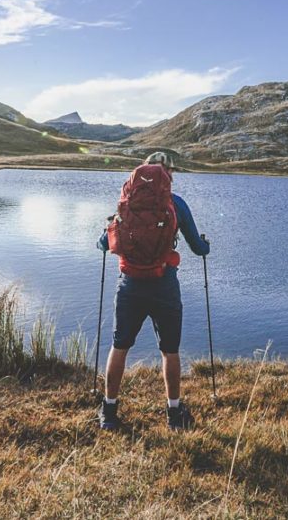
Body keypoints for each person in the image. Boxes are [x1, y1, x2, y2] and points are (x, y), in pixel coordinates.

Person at [96, 151, 210, 431]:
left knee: (119, 346)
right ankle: (173, 413)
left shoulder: (128, 201)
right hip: (164, 284)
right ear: (169, 173)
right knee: (170, 351)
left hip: (130, 284)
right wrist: (206, 245)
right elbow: (197, 247)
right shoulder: (176, 204)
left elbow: (103, 243)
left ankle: (109, 412)